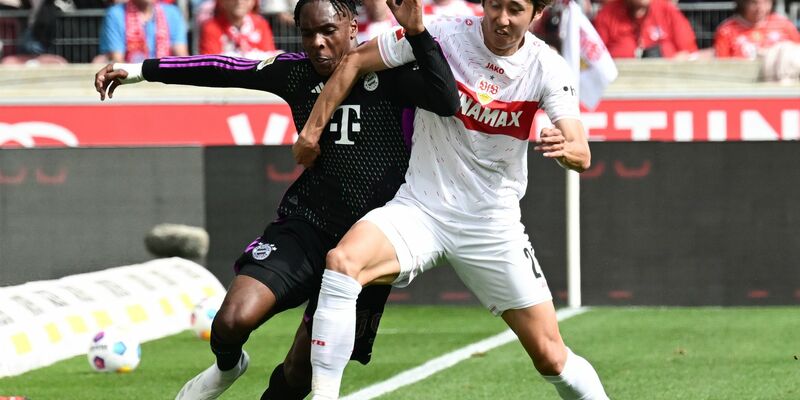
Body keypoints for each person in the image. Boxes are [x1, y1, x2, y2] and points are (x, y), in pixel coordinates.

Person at [93, 0, 459, 398]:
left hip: (370, 240)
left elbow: (445, 99)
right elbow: (224, 69)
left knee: (300, 371)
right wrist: (140, 70)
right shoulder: (295, 73)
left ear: (353, 27)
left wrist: (419, 34)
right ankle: (227, 368)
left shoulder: (387, 73)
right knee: (231, 320)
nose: (317, 44)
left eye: (328, 31)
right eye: (307, 33)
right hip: (308, 224)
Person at [293, 0, 609, 398]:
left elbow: (582, 152)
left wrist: (568, 149)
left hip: (491, 223)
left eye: (515, 9)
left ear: (536, 15)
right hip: (422, 208)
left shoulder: (547, 66)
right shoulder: (445, 33)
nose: (502, 18)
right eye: (495, 5)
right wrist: (311, 132)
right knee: (342, 263)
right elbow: (355, 59)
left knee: (551, 357)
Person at [593, 0, 697, 59]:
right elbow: (595, 59)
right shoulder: (607, 15)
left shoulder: (667, 10)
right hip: (621, 86)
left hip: (667, 84)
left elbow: (690, 53)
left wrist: (667, 60)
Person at [98, 0, 188, 63]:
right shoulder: (115, 14)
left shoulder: (172, 13)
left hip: (166, 80)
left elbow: (182, 57)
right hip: (131, 81)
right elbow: (118, 61)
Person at [714, 0, 800, 59]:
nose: (760, 7)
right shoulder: (726, 30)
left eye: (765, 2)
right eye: (754, 2)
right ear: (743, 3)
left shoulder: (784, 25)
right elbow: (722, 63)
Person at [199, 0, 279, 58]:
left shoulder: (261, 24)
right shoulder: (211, 27)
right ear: (222, 2)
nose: (239, 2)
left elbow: (270, 57)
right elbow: (210, 62)